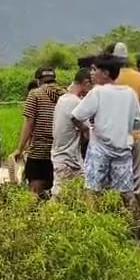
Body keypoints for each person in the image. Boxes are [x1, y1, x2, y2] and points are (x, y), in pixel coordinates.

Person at [71, 56, 140, 206]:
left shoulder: (97, 92)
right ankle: (134, 222)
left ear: (105, 73)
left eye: (94, 69)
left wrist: (87, 130)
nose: (91, 73)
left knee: (92, 190)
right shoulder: (129, 93)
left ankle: (92, 223)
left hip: (99, 150)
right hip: (123, 149)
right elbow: (138, 123)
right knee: (126, 191)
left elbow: (76, 116)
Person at [14, 67, 64, 197]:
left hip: (39, 151)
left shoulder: (35, 94)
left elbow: (29, 122)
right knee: (56, 190)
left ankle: (33, 215)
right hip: (59, 150)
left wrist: (20, 148)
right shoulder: (65, 95)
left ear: (38, 81)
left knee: (35, 190)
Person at [108, 42, 140, 200]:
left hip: (113, 134)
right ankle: (136, 209)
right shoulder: (139, 78)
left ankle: (118, 209)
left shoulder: (110, 79)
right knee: (136, 174)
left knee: (115, 174)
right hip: (135, 132)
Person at [50, 68, 91, 196]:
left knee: (83, 190)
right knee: (60, 194)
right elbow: (88, 129)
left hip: (66, 156)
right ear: (86, 83)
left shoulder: (63, 99)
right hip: (68, 158)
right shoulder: (75, 102)